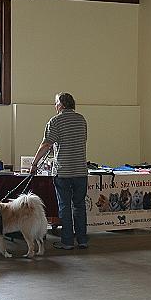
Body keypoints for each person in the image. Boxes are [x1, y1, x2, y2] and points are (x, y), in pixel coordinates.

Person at [30, 93, 88, 250]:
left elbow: (46, 145)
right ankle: (82, 240)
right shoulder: (81, 120)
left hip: (64, 171)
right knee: (79, 206)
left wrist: (34, 164)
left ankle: (67, 241)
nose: (55, 106)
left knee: (65, 207)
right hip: (81, 171)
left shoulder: (55, 121)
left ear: (61, 105)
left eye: (55, 103)